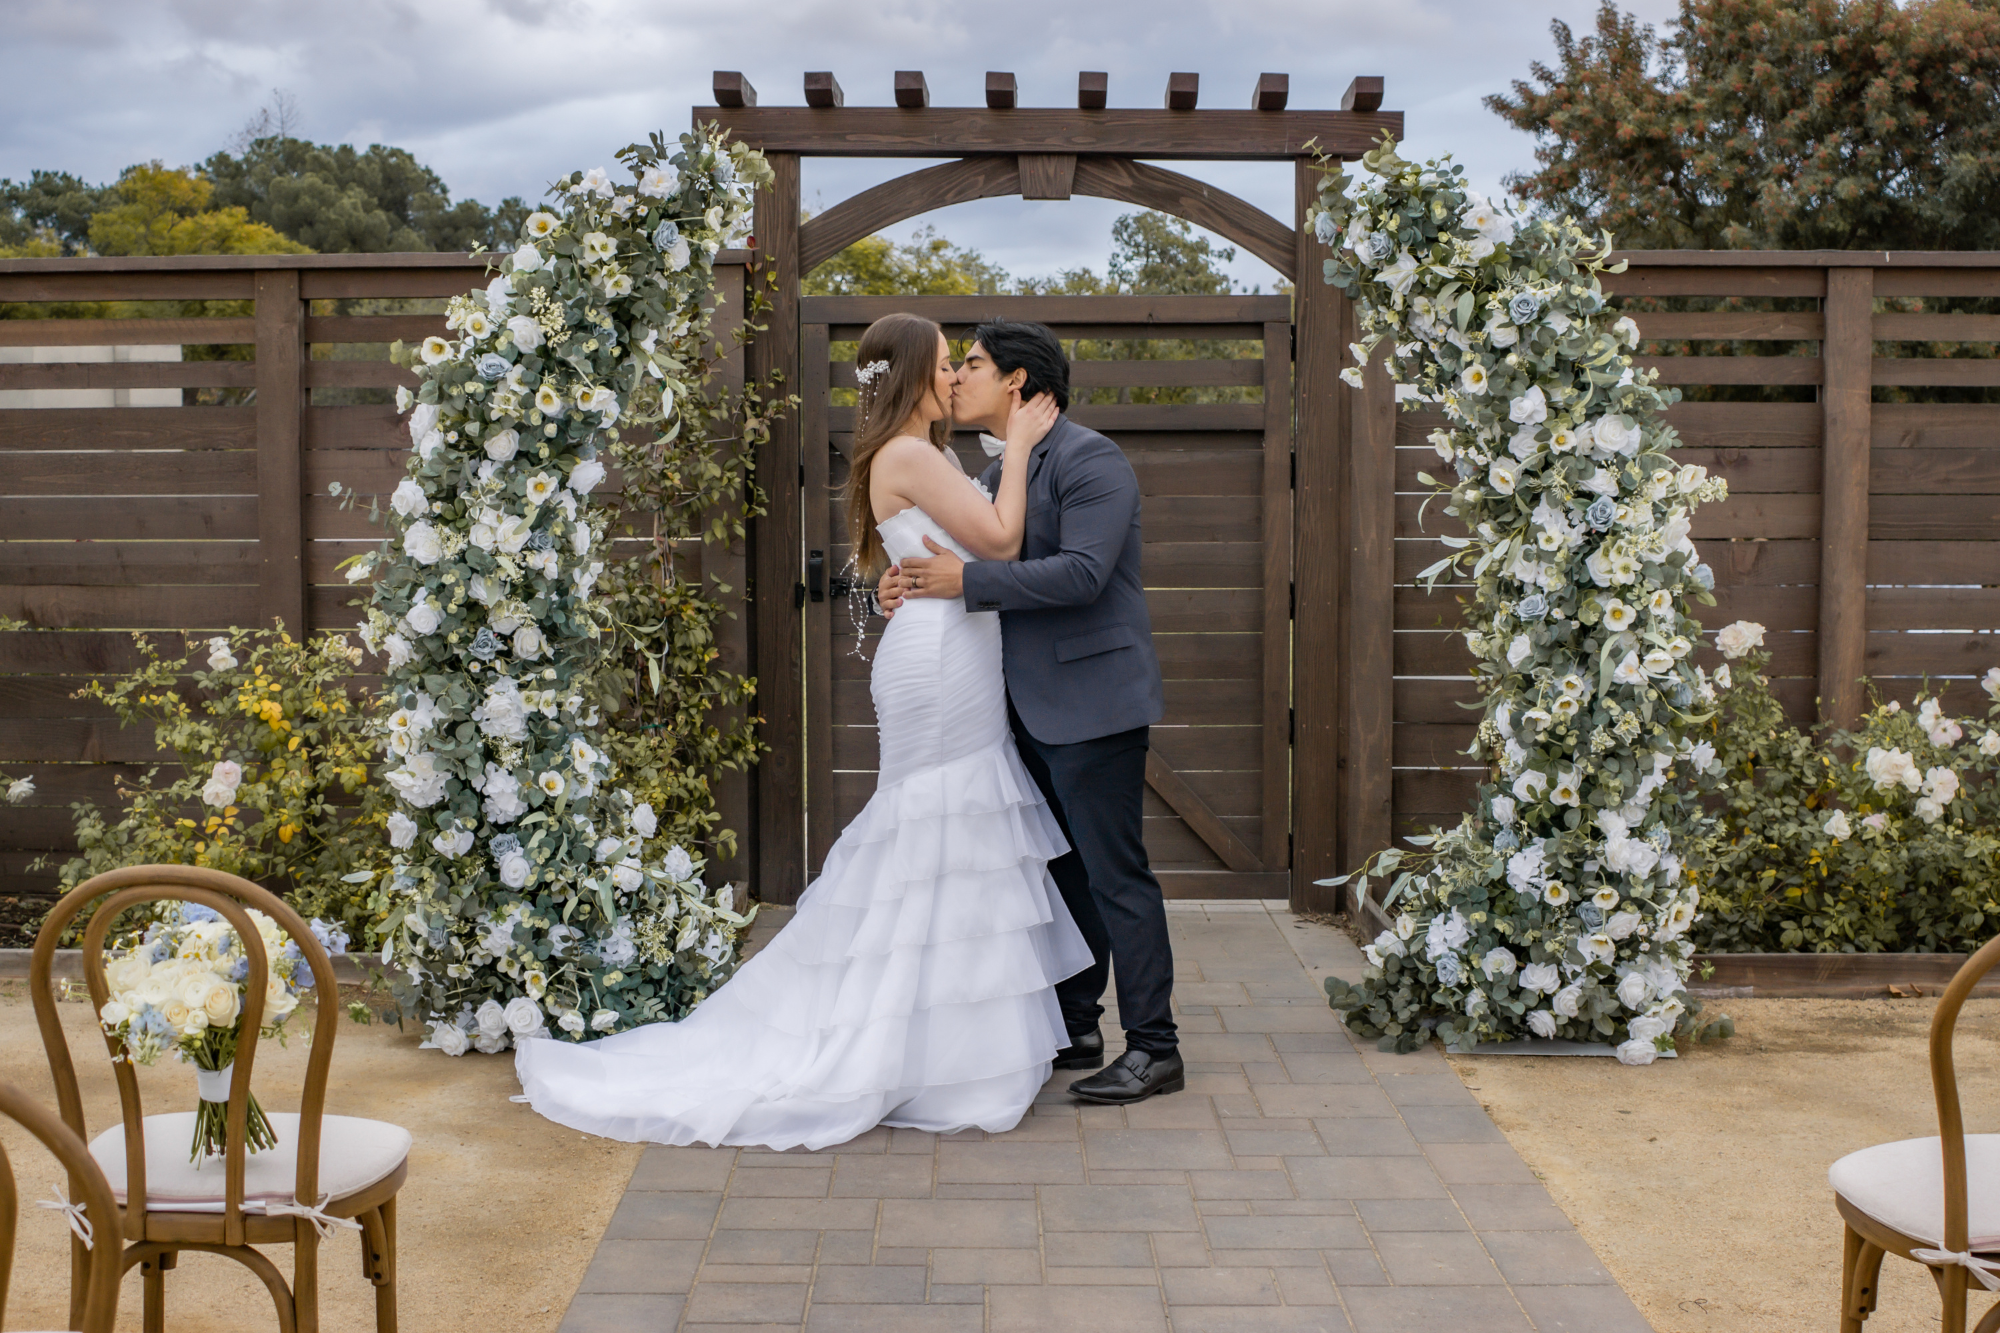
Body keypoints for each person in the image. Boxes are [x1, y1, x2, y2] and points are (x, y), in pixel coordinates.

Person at [514, 312, 1088, 1150]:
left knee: (948, 830)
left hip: (948, 645)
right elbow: (1000, 538)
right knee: (935, 827)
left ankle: (941, 1046)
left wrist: (908, 574)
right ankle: (906, 1043)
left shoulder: (922, 453)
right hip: (938, 660)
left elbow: (946, 556)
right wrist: (1027, 450)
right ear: (913, 378)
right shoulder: (912, 453)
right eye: (945, 364)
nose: (956, 377)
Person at [880, 319, 1182, 1106]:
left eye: (971, 366)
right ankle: (1075, 1023)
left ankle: (1155, 1046)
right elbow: (958, 543)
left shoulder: (1091, 460)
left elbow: (1082, 573)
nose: (957, 379)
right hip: (1015, 705)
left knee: (1116, 876)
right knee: (1060, 873)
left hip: (1093, 702)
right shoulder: (989, 473)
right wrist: (905, 581)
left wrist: (964, 584)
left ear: (1016, 383)